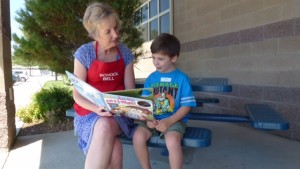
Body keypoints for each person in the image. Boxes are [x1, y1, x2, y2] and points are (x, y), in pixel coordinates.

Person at [72, 2, 135, 169]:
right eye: (108, 31)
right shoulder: (84, 54)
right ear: (94, 35)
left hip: (118, 113)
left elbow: (131, 92)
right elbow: (77, 95)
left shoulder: (125, 53)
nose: (115, 34)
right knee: (115, 149)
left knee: (105, 125)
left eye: (115, 28)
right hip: (89, 112)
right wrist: (95, 108)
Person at [133, 33, 197, 169]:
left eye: (160, 59)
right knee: (137, 137)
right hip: (153, 120)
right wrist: (148, 119)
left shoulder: (182, 79)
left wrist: (169, 121)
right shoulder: (151, 78)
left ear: (174, 58)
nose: (156, 62)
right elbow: (145, 104)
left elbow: (187, 106)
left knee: (173, 141)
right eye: (153, 57)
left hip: (174, 121)